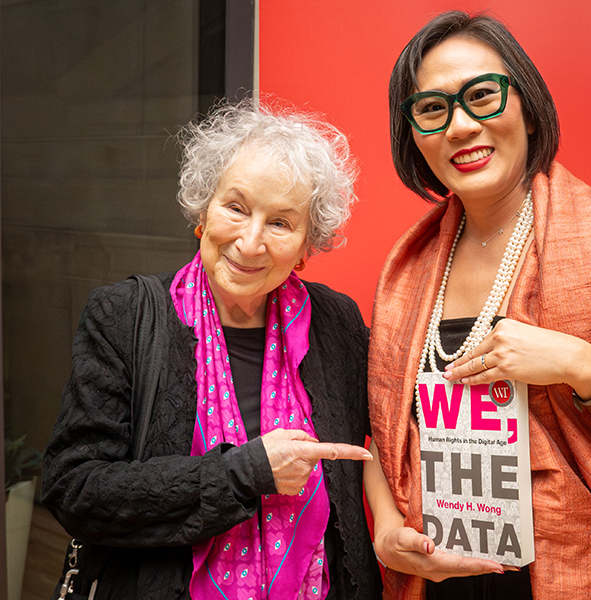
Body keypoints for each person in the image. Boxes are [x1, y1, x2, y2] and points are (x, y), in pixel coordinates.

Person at [364, 11, 591, 600]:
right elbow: (386, 430)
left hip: (564, 578)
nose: (459, 126)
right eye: (432, 108)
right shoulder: (409, 268)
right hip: (434, 576)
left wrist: (583, 366)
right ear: (414, 133)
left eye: (482, 95)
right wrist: (386, 525)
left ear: (526, 106)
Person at [43, 102, 382, 600]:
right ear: (204, 211)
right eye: (237, 208)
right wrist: (247, 472)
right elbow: (75, 490)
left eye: (281, 223)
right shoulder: (124, 316)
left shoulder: (338, 324)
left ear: (308, 245)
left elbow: (405, 422)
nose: (249, 242)